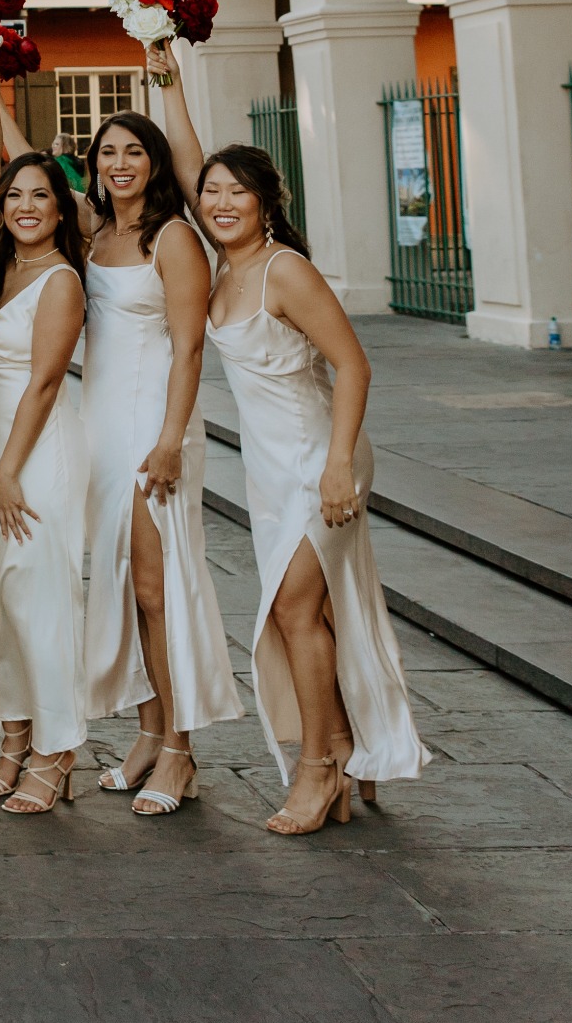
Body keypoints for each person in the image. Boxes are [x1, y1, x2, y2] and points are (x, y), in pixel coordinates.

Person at [158, 61, 427, 833]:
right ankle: (346, 747)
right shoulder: (220, 270)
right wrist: (166, 78)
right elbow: (187, 163)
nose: (218, 202)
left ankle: (320, 768)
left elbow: (354, 365)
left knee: (293, 608)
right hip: (269, 468)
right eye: (211, 193)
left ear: (265, 201)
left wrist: (340, 464)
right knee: (297, 615)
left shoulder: (284, 271)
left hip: (320, 456)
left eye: (236, 192)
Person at [0, 82, 241, 816]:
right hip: (100, 432)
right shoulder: (94, 231)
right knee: (126, 585)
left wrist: (173, 441)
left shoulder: (174, 238)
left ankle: (181, 750)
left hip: (156, 428)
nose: (121, 163)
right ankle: (150, 735)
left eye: (134, 151)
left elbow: (189, 351)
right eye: (107, 153)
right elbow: (32, 177)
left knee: (160, 587)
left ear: (153, 161)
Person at [0, 152, 89, 816]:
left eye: (41, 196)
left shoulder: (60, 280)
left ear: (62, 209)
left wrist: (10, 470)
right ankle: (14, 733)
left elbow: (43, 382)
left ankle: (57, 747)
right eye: (15, 196)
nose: (27, 206)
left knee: (40, 601)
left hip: (35, 455)